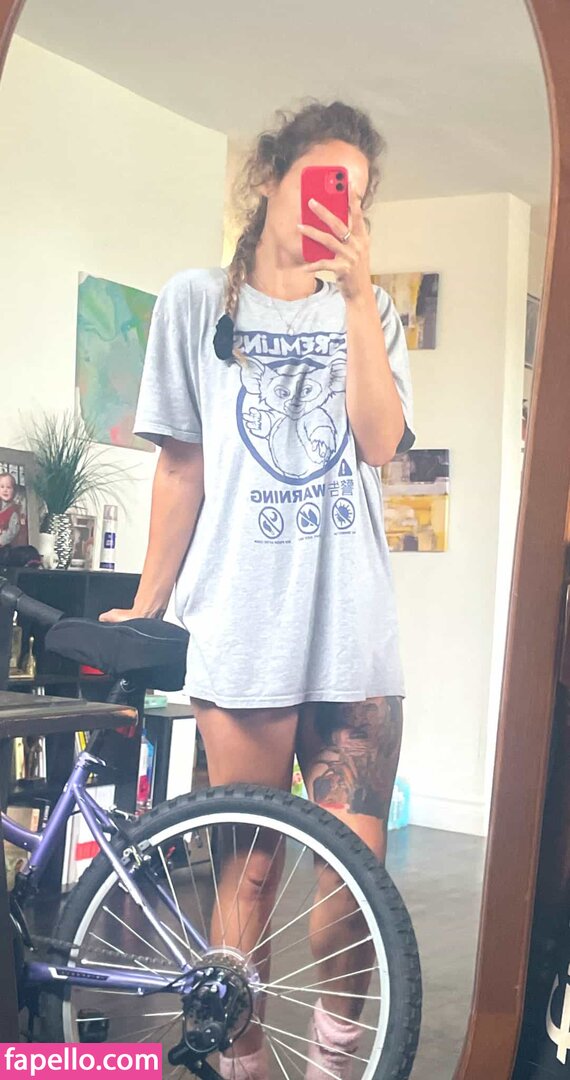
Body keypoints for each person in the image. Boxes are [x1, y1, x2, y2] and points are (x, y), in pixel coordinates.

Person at [101, 100, 414, 1080]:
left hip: (354, 632)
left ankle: (332, 1064)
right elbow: (182, 468)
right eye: (324, 183)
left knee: (349, 898)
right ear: (271, 179)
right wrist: (151, 601)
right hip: (242, 626)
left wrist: (356, 298)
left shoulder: (375, 311)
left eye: (355, 196)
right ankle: (241, 1065)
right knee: (246, 879)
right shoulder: (196, 303)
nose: (337, 207)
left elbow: (379, 444)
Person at [0, 472, 21, 548]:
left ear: (14, 491)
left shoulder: (13, 510)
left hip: (6, 548)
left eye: (8, 487)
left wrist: (1, 541)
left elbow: (12, 531)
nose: (5, 490)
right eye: (2, 487)